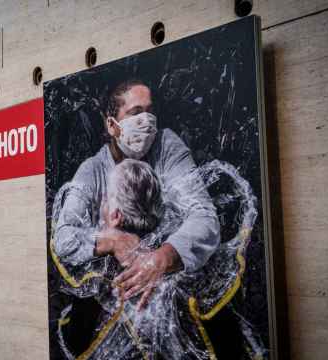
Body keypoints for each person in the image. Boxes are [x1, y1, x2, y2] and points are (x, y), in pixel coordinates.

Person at [53, 79, 220, 309]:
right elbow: (63, 238)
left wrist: (163, 257)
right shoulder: (92, 171)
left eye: (150, 111)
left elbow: (204, 216)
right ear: (112, 126)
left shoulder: (166, 147)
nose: (147, 121)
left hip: (171, 277)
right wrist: (112, 240)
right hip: (115, 289)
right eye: (135, 113)